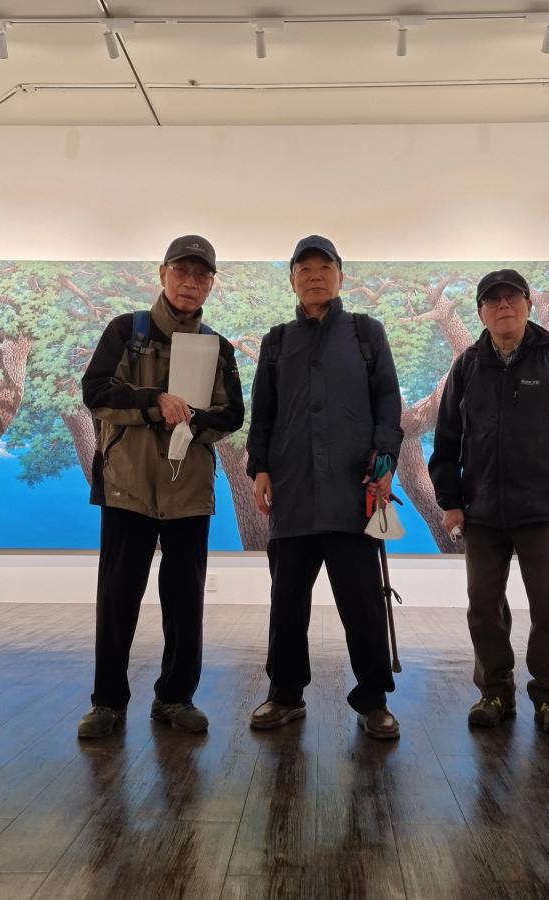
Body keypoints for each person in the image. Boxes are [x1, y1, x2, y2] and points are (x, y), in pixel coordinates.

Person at [76, 234, 244, 737]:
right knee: (117, 599)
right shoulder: (125, 331)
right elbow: (96, 392)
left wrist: (192, 416)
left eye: (201, 275)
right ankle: (107, 702)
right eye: (182, 271)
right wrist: (155, 402)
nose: (191, 282)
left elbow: (233, 414)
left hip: (188, 492)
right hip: (126, 488)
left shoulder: (218, 347)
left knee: (185, 601)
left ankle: (175, 698)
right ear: (163, 273)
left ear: (211, 284)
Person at [429, 268, 549, 735]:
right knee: (484, 608)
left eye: (512, 298)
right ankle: (494, 693)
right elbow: (446, 441)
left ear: (527, 304)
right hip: (482, 512)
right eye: (493, 300)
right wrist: (450, 501)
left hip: (543, 510)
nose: (503, 306)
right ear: (481, 312)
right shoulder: (467, 365)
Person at [246, 235, 404, 739]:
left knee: (362, 602)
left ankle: (373, 700)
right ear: (292, 279)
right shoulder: (276, 342)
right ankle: (284, 694)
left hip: (352, 492)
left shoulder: (366, 333)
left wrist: (385, 459)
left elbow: (388, 402)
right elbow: (263, 413)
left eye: (324, 267)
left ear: (340, 276)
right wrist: (260, 467)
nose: (315, 276)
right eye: (304, 268)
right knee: (287, 602)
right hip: (292, 492)